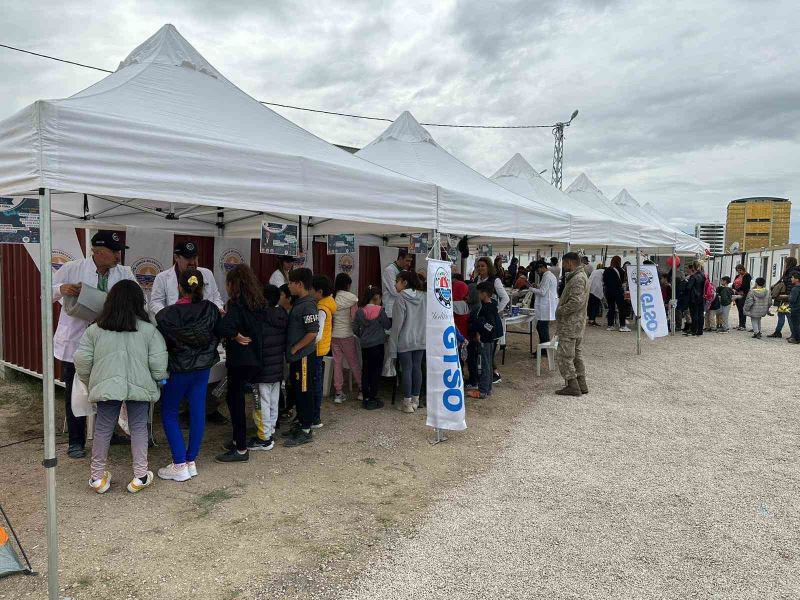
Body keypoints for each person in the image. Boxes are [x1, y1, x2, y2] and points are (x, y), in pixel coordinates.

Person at [73, 280, 168, 494]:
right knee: (138, 428)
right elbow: (159, 364)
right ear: (138, 302)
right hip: (141, 387)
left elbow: (82, 362)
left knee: (103, 428)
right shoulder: (149, 330)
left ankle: (97, 477)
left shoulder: (94, 330)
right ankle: (140, 476)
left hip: (107, 387)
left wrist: (91, 382)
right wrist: (159, 379)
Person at [52, 231, 137, 459]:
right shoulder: (73, 268)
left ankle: (107, 434)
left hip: (109, 342)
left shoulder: (124, 272)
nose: (118, 256)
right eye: (114, 252)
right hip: (77, 342)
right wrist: (63, 289)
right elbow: (45, 292)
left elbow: (138, 299)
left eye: (119, 251)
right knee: (76, 393)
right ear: (98, 252)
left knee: (108, 391)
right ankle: (76, 441)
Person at [156, 269, 221, 481]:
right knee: (197, 411)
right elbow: (217, 334)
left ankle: (179, 463)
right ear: (203, 288)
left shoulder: (167, 315)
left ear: (178, 287)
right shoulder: (211, 309)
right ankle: (191, 460)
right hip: (202, 368)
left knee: (169, 412)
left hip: (178, 370)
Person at [215, 265, 266, 463]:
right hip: (255, 357)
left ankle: (241, 448)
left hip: (239, 360)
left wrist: (234, 334)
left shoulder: (236, 305)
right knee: (240, 402)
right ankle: (239, 440)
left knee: (235, 403)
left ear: (232, 284)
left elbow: (223, 327)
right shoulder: (258, 304)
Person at [247, 284, 288, 451]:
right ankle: (269, 433)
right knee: (272, 402)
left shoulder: (259, 316)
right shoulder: (282, 315)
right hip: (277, 368)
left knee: (260, 403)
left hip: (261, 370)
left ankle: (264, 439)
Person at [283, 268, 320, 447]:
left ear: (299, 284)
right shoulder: (300, 302)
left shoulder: (308, 305)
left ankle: (306, 429)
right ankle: (301, 423)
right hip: (297, 358)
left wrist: (296, 347)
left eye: (291, 283)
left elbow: (313, 332)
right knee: (298, 391)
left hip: (304, 357)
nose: (289, 286)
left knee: (305, 392)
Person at [148, 241, 223, 316]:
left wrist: (218, 309)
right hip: (174, 324)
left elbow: (216, 298)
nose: (193, 262)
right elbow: (156, 303)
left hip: (204, 322)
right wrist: (169, 316)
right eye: (188, 258)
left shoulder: (207, 274)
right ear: (176, 257)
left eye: (195, 257)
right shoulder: (162, 277)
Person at [389, 270, 426, 414]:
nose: (395, 284)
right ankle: (416, 401)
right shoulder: (424, 296)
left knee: (407, 370)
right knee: (417, 368)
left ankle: (407, 403)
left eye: (397, 281)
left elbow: (397, 325)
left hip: (405, 339)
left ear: (404, 282)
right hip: (421, 338)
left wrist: (393, 345)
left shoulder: (400, 298)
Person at [554, 253, 589, 396]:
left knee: (565, 355)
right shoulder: (578, 276)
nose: (562, 266)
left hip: (571, 324)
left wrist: (560, 310)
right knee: (575, 355)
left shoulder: (578, 278)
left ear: (569, 262)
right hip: (576, 323)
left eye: (563, 263)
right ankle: (581, 384)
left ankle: (572, 385)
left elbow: (576, 301)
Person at [352, 286, 391, 410]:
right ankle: (373, 397)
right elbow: (387, 325)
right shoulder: (380, 311)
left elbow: (354, 328)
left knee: (366, 370)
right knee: (376, 371)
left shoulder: (359, 311)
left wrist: (362, 336)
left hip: (365, 345)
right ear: (377, 298)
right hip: (378, 344)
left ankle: (366, 396)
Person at [474, 257, 509, 384]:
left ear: (488, 267)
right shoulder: (477, 280)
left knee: (489, 348)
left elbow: (505, 298)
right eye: (478, 266)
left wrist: (496, 310)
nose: (480, 268)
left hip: (490, 320)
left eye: (483, 266)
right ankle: (488, 374)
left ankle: (493, 374)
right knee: (482, 348)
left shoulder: (495, 280)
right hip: (480, 317)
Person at [331, 273, 362, 404]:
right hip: (347, 335)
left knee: (337, 363)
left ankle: (338, 393)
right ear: (348, 285)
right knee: (353, 362)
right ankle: (361, 389)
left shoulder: (332, 298)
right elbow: (355, 318)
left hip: (334, 335)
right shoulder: (351, 299)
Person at [311, 275, 337, 428]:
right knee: (317, 382)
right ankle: (316, 416)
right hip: (323, 349)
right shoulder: (329, 304)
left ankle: (315, 417)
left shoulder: (321, 308)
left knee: (315, 384)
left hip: (317, 350)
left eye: (312, 290)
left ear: (319, 292)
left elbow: (318, 334)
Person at [467, 282, 501, 399]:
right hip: (490, 339)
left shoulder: (486, 308)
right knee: (488, 364)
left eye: (479, 293)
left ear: (484, 293)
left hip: (486, 339)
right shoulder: (492, 305)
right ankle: (488, 389)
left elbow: (490, 325)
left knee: (484, 365)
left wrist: (479, 327)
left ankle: (482, 391)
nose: (477, 295)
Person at [531, 259, 558, 355]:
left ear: (541, 267)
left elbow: (542, 292)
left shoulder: (547, 277)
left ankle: (545, 350)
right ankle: (543, 349)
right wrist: (537, 286)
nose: (537, 272)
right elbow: (545, 288)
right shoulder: (549, 276)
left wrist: (532, 289)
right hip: (546, 305)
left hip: (546, 306)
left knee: (542, 328)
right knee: (541, 327)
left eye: (537, 270)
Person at [768, 257, 800, 338]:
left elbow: (790, 286)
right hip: (783, 299)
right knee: (781, 315)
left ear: (789, 263)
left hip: (786, 299)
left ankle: (794, 335)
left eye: (785, 262)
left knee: (790, 317)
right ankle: (778, 332)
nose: (784, 264)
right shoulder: (790, 271)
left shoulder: (792, 272)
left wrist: (787, 297)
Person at [381, 248, 413, 319]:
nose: (409, 264)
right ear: (400, 258)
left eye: (410, 261)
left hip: (401, 307)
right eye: (407, 260)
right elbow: (394, 291)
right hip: (391, 309)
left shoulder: (404, 270)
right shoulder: (389, 270)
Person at [603, 256, 629, 332]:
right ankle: (622, 325)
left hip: (608, 291)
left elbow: (604, 280)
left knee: (611, 308)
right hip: (618, 291)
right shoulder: (621, 270)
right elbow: (623, 281)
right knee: (621, 308)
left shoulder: (607, 270)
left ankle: (610, 325)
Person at [684, 262, 706, 337]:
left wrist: (686, 282)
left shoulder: (693, 276)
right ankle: (700, 330)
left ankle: (694, 330)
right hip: (702, 297)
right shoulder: (703, 275)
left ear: (693, 267)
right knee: (700, 314)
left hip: (694, 298)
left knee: (694, 315)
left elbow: (688, 287)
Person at [732, 264, 752, 331]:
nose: (739, 272)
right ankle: (740, 324)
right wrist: (734, 288)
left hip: (743, 295)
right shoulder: (737, 276)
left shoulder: (747, 276)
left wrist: (737, 289)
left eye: (740, 270)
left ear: (743, 269)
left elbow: (745, 286)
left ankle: (743, 325)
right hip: (737, 294)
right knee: (739, 310)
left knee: (742, 310)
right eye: (738, 271)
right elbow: (733, 284)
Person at [787, 272, 800, 344]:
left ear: (797, 279)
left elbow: (792, 299)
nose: (791, 279)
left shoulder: (795, 288)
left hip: (795, 309)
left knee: (795, 324)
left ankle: (797, 339)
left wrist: (788, 297)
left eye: (792, 277)